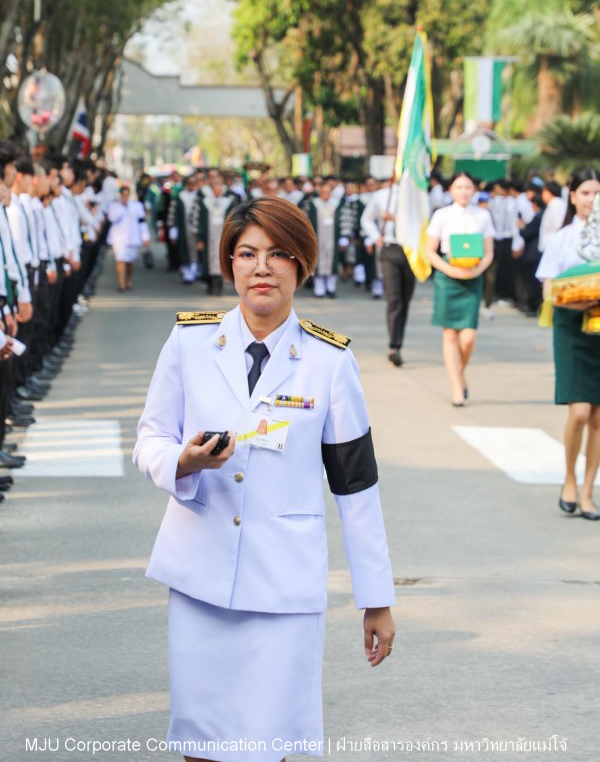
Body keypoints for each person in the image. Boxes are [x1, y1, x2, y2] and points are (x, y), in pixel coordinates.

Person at [134, 196, 396, 762]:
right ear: (228, 262)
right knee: (200, 744)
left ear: (302, 264)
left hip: (283, 586)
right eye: (247, 253)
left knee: (266, 745)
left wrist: (375, 599)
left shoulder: (330, 361)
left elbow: (356, 485)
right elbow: (149, 439)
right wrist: (184, 461)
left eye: (278, 254)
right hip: (200, 577)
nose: (261, 267)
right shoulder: (190, 342)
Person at [536, 167, 600, 521]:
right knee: (579, 411)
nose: (592, 200)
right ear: (572, 196)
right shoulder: (563, 239)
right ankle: (569, 478)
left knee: (598, 417)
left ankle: (589, 490)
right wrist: (580, 295)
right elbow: (548, 287)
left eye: (597, 193)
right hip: (572, 327)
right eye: (586, 192)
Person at [425, 171, 494, 406]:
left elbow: (489, 250)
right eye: (459, 187)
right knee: (450, 333)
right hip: (449, 277)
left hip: (473, 276)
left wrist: (479, 269)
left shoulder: (483, 215)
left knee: (468, 336)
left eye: (468, 187)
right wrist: (448, 270)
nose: (464, 191)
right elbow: (430, 250)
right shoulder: (441, 215)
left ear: (474, 189)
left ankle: (459, 374)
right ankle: (456, 385)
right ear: (450, 190)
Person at [361, 179, 415, 366]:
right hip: (390, 249)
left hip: (412, 250)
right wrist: (376, 237)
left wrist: (395, 218)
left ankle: (399, 341)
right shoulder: (383, 195)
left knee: (405, 299)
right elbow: (366, 218)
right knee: (394, 299)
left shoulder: (417, 196)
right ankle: (394, 345)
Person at [107, 185, 150, 291]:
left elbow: (142, 222)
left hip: (133, 236)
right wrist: (122, 207)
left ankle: (128, 279)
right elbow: (112, 219)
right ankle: (121, 283)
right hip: (118, 238)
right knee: (120, 259)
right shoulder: (114, 206)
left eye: (127, 194)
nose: (125, 196)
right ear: (120, 195)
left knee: (130, 261)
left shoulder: (137, 206)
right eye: (123, 194)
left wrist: (145, 236)